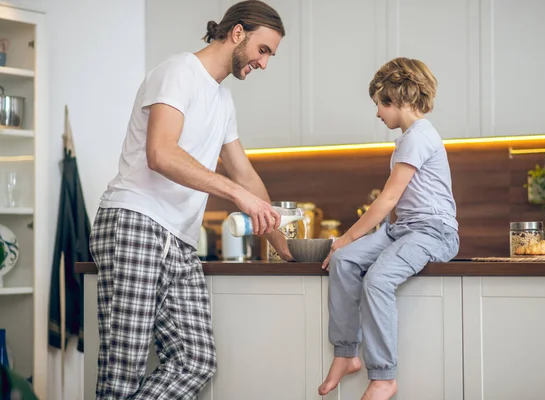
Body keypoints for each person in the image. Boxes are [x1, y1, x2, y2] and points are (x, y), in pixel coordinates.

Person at [88, 1, 292, 398]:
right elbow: (161, 153)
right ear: (237, 33)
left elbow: (245, 174)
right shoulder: (178, 72)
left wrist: (284, 246)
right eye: (263, 50)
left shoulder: (223, 101)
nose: (264, 63)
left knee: (196, 361)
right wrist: (235, 194)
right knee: (123, 369)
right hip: (135, 222)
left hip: (177, 239)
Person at [317, 57, 460, 400]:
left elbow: (387, 200)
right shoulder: (409, 138)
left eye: (381, 103)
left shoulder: (419, 137)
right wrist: (346, 247)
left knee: (377, 278)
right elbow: (392, 209)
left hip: (433, 232)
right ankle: (346, 353)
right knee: (344, 262)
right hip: (403, 230)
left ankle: (383, 376)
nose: (378, 113)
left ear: (401, 100)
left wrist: (346, 237)